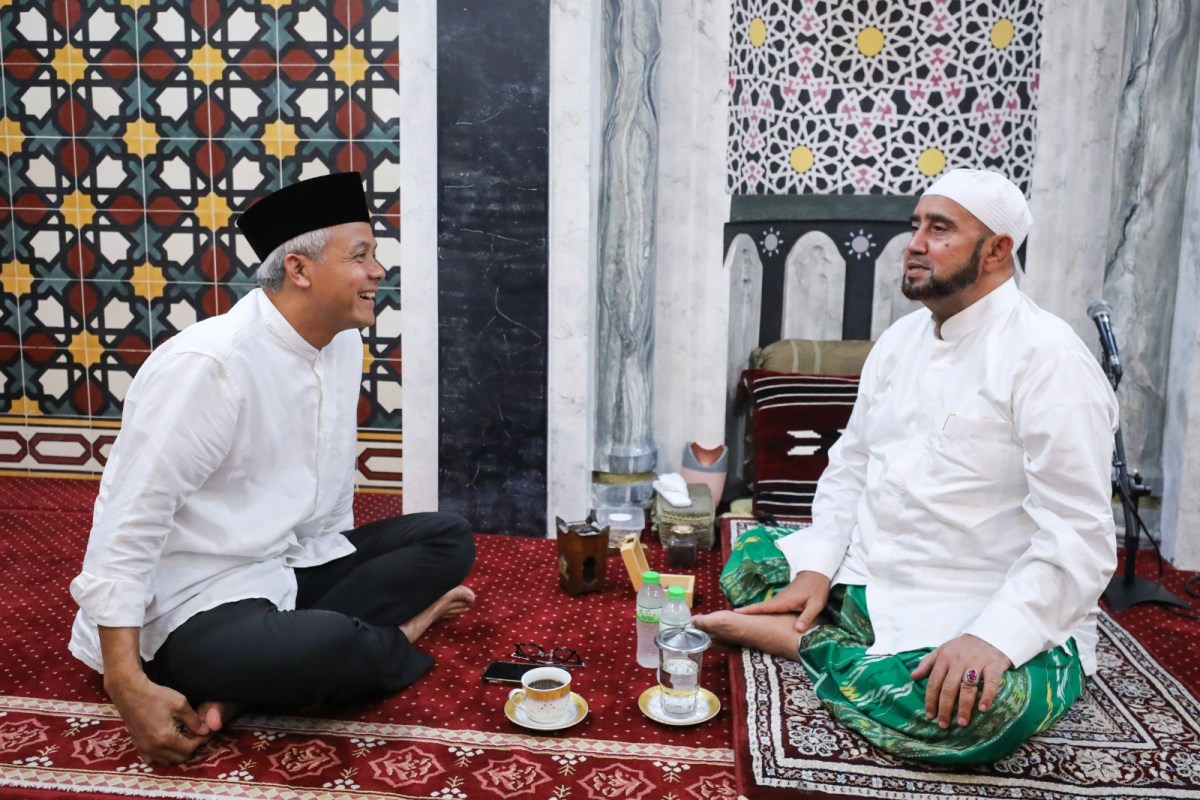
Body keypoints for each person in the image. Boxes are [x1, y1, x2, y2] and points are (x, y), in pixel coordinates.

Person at [695, 168, 1119, 764]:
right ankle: (845, 638)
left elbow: (1080, 536)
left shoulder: (1049, 361)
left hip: (977, 597)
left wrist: (992, 637)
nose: (914, 243)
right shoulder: (900, 341)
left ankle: (804, 644)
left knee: (972, 717)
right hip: (874, 575)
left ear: (997, 250)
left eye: (939, 229)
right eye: (916, 225)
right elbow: (851, 464)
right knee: (749, 560)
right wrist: (816, 570)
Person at [68, 172, 476, 766]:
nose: (378, 271)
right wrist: (123, 679)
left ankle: (253, 682)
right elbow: (127, 522)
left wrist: (334, 579)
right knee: (329, 644)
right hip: (189, 605)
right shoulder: (209, 365)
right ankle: (397, 635)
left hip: (281, 566)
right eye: (360, 256)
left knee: (447, 538)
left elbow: (327, 503)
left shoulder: (340, 341)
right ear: (299, 269)